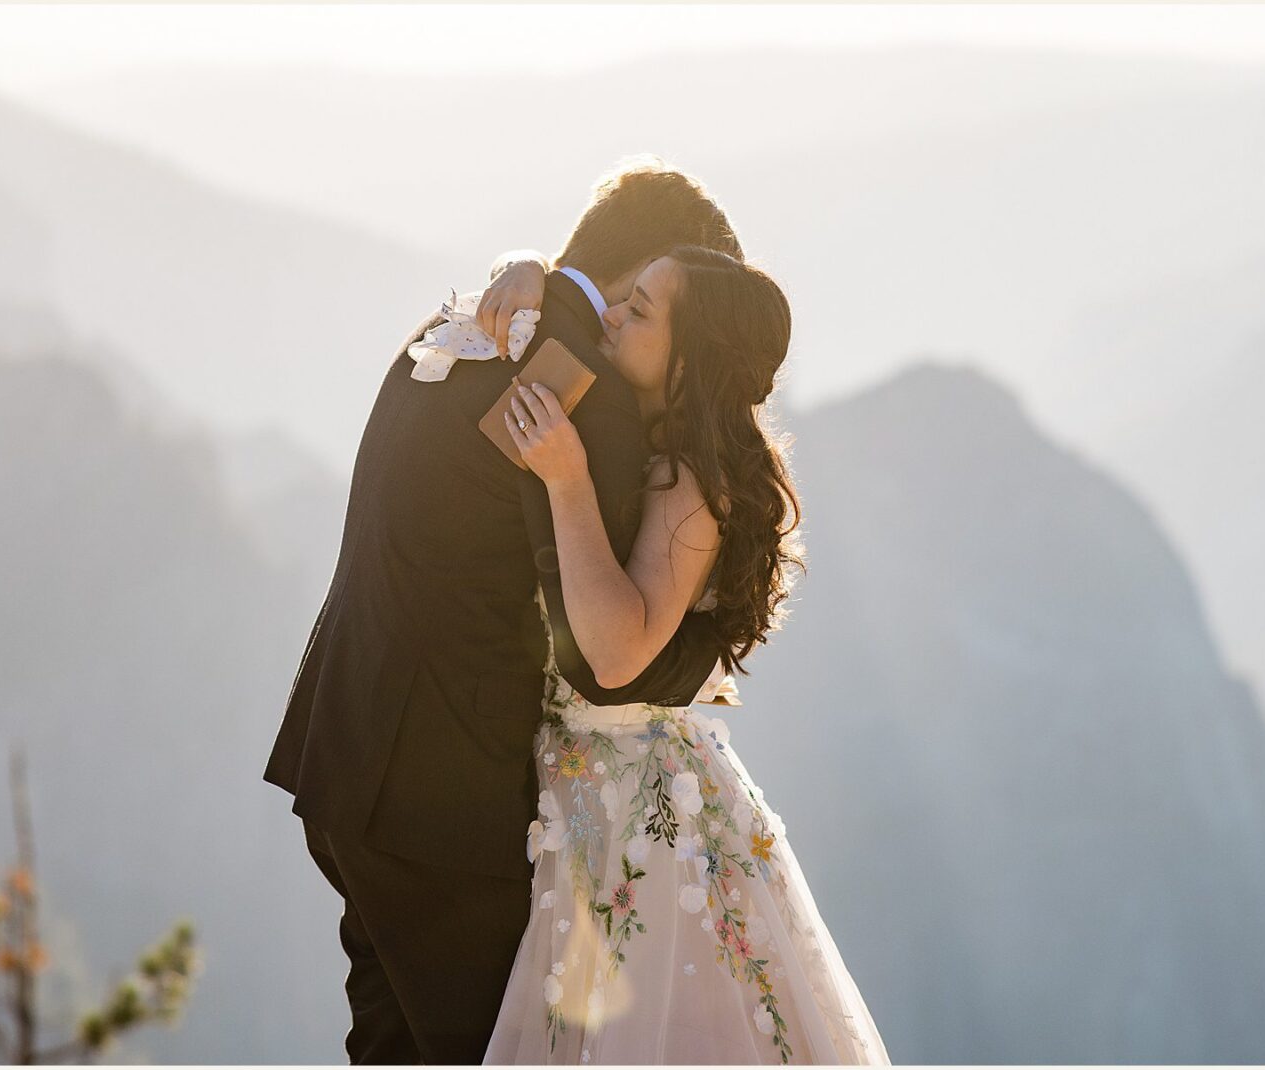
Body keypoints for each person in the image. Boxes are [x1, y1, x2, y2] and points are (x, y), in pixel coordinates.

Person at [261, 157, 747, 1064]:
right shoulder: (580, 388)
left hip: (340, 751)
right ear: (636, 274)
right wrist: (702, 657)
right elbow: (604, 651)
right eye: (651, 296)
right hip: (431, 805)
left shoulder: (463, 321)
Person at [479, 246, 893, 1065]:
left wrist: (565, 477)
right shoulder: (662, 452)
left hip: (634, 816)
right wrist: (526, 267)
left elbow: (618, 649)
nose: (611, 316)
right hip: (603, 793)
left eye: (639, 313)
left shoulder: (692, 484)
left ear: (686, 358)